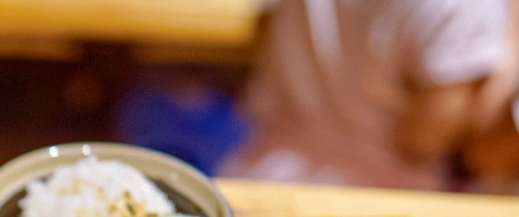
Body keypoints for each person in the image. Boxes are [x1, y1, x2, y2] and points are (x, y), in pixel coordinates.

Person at [219, 0, 517, 190]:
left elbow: (264, 32)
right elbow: (425, 138)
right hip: (376, 197)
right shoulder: (467, 9)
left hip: (260, 170)